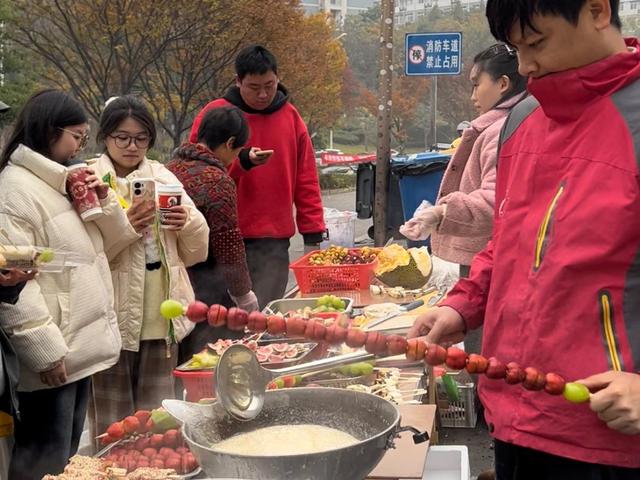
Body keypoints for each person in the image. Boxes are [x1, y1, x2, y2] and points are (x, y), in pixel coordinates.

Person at [409, 0, 640, 478]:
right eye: (517, 49)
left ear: (598, 11)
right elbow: (507, 242)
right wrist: (462, 305)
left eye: (537, 43)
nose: (527, 66)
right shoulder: (522, 123)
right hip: (513, 415)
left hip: (608, 435)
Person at [0, 89, 133, 479]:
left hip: (75, 346)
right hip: (52, 355)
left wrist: (104, 201)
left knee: (66, 456)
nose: (80, 145)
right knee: (43, 459)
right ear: (49, 132)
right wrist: (45, 352)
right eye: (76, 135)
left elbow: (114, 243)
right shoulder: (14, 193)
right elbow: (14, 282)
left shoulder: (61, 181)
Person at [87, 96, 209, 438]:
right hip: (109, 321)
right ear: (106, 137)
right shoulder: (88, 180)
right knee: (112, 427)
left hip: (161, 319)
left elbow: (197, 251)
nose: (131, 146)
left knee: (157, 424)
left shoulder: (163, 176)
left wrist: (186, 221)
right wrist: (125, 226)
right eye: (121, 137)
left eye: (141, 138)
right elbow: (87, 256)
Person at [189, 45, 325, 309]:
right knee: (218, 322)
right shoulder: (216, 114)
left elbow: (306, 180)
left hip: (272, 241)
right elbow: (195, 174)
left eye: (270, 85)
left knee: (265, 316)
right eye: (254, 87)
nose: (263, 94)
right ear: (238, 81)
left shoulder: (291, 117)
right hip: (219, 237)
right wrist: (240, 162)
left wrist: (313, 236)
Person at [402, 43, 527, 279]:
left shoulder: (500, 131)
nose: (472, 96)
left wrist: (441, 212)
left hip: (485, 261)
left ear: (503, 84)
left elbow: (496, 198)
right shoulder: (507, 124)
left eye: (477, 84)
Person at [168, 106, 258, 359]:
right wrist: (243, 294)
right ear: (230, 143)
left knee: (180, 353)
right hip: (205, 284)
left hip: (171, 279)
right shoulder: (217, 180)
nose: (235, 158)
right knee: (208, 355)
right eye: (238, 150)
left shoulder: (169, 168)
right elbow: (228, 243)